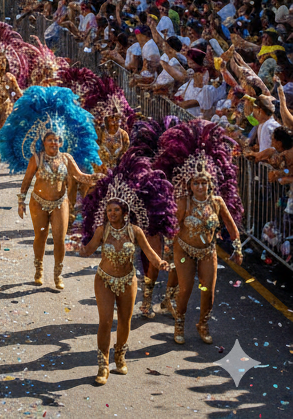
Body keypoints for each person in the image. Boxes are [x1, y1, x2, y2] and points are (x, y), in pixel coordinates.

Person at [77, 156, 173, 385]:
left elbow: (149, 252)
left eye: (116, 210)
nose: (112, 213)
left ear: (124, 211)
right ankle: (103, 365)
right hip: (104, 280)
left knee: (124, 322)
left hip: (128, 281)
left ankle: (120, 356)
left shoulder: (135, 231)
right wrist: (78, 247)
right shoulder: (102, 230)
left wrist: (160, 262)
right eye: (109, 210)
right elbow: (89, 250)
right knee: (105, 321)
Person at [0, 85, 100, 290]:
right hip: (38, 203)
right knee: (41, 237)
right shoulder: (36, 159)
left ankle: (57, 274)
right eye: (50, 140)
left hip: (59, 202)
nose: (54, 143)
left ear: (61, 142)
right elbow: (26, 182)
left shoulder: (66, 158)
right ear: (43, 142)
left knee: (60, 240)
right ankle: (38, 269)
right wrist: (21, 202)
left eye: (56, 140)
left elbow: (79, 176)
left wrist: (96, 177)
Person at [155, 120, 244, 344]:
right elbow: (172, 227)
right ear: (190, 184)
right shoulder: (184, 202)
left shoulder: (217, 202)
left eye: (204, 183)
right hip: (184, 251)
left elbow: (232, 227)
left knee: (208, 291)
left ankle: (202, 324)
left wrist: (237, 248)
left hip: (207, 252)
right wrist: (168, 250)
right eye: (196, 183)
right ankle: (179, 323)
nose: (200, 187)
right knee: (186, 289)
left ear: (210, 184)